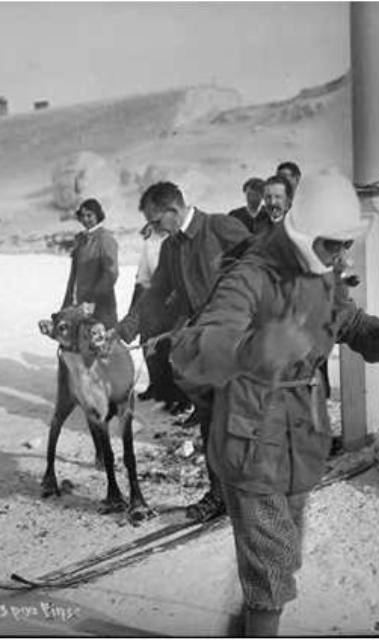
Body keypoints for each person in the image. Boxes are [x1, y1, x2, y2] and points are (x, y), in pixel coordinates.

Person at [168, 170, 379, 636]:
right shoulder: (250, 276)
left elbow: (350, 323)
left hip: (300, 440)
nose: (339, 254)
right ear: (304, 233)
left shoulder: (321, 276)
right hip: (250, 438)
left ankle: (247, 627)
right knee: (272, 566)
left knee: (282, 555)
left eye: (344, 245)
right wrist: (248, 349)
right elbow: (190, 350)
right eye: (332, 244)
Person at [115, 181, 250, 520]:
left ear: (173, 210)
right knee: (209, 422)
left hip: (240, 344)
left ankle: (253, 495)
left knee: (242, 422)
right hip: (203, 350)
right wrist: (125, 328)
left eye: (156, 220)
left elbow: (265, 266)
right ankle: (219, 496)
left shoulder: (220, 228)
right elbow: (156, 291)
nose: (154, 228)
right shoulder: (173, 247)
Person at [61, 199, 119, 328]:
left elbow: (111, 273)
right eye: (82, 215)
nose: (85, 219)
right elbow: (74, 276)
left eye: (89, 215)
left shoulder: (105, 239)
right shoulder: (80, 239)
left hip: (99, 307)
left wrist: (93, 301)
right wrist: (67, 304)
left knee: (99, 343)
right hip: (78, 305)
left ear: (98, 215)